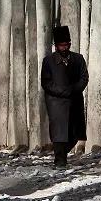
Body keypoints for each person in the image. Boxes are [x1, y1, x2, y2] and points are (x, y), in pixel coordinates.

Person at [40, 25, 89, 168]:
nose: (64, 48)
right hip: (56, 102)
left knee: (74, 132)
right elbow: (46, 82)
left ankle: (62, 154)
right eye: (61, 45)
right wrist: (62, 91)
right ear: (56, 46)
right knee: (58, 132)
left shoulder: (78, 59)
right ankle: (60, 160)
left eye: (66, 45)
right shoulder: (48, 61)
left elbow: (84, 77)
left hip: (74, 100)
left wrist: (74, 90)